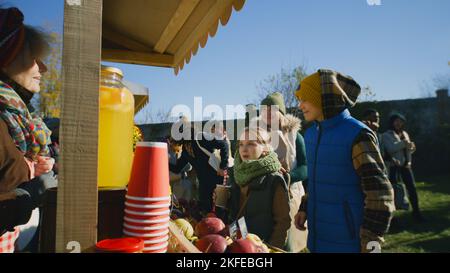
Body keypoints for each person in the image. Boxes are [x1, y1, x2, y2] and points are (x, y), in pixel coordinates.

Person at [294, 69, 395, 253]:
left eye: (305, 99)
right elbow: (317, 182)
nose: (300, 105)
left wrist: (371, 241)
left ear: (323, 98)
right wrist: (305, 208)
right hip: (318, 240)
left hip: (350, 243)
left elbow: (379, 193)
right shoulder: (310, 135)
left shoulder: (358, 135)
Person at [0, 7, 57, 252]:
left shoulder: (15, 115)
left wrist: (31, 169)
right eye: (34, 56)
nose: (42, 68)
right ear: (8, 55)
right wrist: (30, 194)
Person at [254, 92, 308, 252]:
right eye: (264, 109)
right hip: (262, 196)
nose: (268, 112)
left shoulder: (295, 136)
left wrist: (288, 177)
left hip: (290, 194)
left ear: (281, 112)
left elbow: (305, 167)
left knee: (287, 242)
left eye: (272, 108)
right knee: (262, 241)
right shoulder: (255, 136)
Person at [227, 127, 291, 249]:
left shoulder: (274, 179)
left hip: (261, 246)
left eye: (251, 144)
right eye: (241, 144)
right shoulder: (236, 174)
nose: (244, 149)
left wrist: (270, 249)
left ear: (265, 149)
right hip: (239, 244)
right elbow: (236, 215)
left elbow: (282, 222)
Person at [169, 122, 230, 219]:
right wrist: (163, 161)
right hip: (204, 186)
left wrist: (223, 167)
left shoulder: (201, 138)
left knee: (221, 212)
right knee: (205, 212)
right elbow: (177, 168)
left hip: (219, 181)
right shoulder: (186, 149)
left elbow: (224, 145)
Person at [382, 113, 424, 221]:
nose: (398, 123)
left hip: (406, 166)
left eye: (400, 121)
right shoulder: (386, 135)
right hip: (394, 166)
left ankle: (416, 213)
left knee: (412, 189)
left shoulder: (404, 133)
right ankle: (393, 218)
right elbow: (390, 149)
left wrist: (412, 148)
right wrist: (404, 143)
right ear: (392, 122)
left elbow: (406, 150)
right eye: (396, 121)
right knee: (394, 191)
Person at [167, 136, 193, 202]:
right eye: (171, 142)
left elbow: (189, 167)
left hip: (184, 182)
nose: (173, 144)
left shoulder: (182, 151)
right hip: (174, 185)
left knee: (186, 205)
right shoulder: (167, 153)